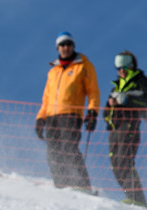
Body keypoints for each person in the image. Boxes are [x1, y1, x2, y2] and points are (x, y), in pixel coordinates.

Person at [35, 31, 100, 192]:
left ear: (73, 46)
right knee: (53, 153)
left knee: (69, 149)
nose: (66, 47)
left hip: (71, 115)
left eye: (68, 44)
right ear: (58, 48)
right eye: (62, 45)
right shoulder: (53, 71)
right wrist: (40, 118)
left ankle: (83, 185)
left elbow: (93, 92)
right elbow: (46, 98)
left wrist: (92, 112)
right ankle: (62, 185)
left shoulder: (83, 66)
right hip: (51, 117)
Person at [103, 51, 147, 207]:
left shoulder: (142, 82)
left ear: (132, 66)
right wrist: (110, 107)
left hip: (129, 125)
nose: (122, 71)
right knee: (116, 164)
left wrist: (126, 100)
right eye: (118, 68)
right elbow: (106, 113)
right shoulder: (116, 87)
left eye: (125, 67)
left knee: (125, 161)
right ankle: (136, 198)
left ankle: (136, 198)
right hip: (115, 129)